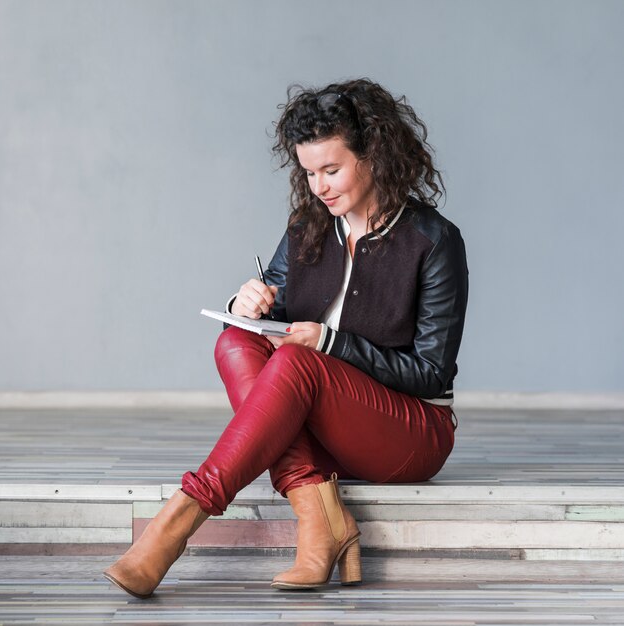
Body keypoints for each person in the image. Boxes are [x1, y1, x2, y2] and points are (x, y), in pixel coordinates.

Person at [104, 77, 468, 598]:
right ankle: (320, 517)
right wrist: (245, 304)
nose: (319, 186)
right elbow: (270, 322)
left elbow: (430, 373)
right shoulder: (307, 225)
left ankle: (176, 524)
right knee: (234, 342)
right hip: (324, 428)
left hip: (412, 432)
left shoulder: (433, 241)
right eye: (309, 172)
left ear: (374, 155)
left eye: (332, 169)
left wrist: (329, 341)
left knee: (299, 363)